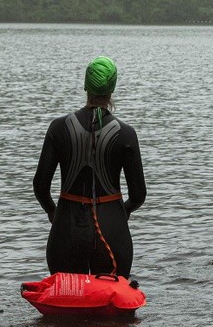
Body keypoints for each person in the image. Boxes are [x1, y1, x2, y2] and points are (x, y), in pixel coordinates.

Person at [33, 56, 147, 278]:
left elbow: (40, 186)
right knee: (114, 305)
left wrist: (52, 212)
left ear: (86, 85)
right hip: (112, 230)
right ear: (111, 89)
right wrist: (122, 212)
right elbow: (139, 195)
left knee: (64, 304)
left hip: (66, 228)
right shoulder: (126, 134)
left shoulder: (58, 128)